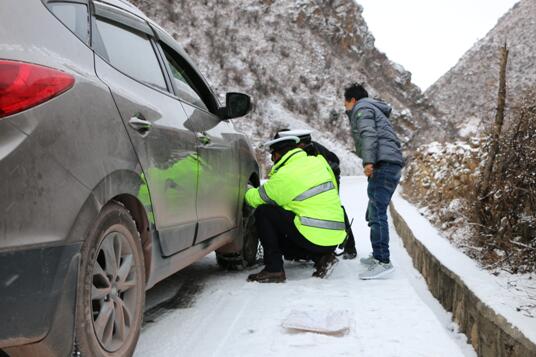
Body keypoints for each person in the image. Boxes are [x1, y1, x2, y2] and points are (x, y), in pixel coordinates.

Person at [245, 136, 347, 283]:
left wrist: (245, 190)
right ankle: (323, 257)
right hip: (334, 238)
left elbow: (257, 198)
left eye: (272, 155)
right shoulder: (318, 161)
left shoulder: (285, 174)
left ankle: (274, 270)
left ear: (278, 154)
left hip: (315, 237)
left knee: (265, 212)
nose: (272, 160)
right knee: (292, 218)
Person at [344, 83, 404, 280]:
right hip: (389, 162)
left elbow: (368, 134)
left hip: (383, 163)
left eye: (345, 102)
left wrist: (369, 161)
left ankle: (383, 261)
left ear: (352, 100)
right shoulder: (372, 108)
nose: (345, 106)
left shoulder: (362, 108)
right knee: (373, 211)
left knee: (377, 212)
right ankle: (378, 256)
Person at [276, 129, 357, 259]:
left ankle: (350, 247)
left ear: (299, 143)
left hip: (331, 174)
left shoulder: (312, 151)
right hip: (325, 173)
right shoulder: (301, 148)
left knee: (334, 208)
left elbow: (332, 161)